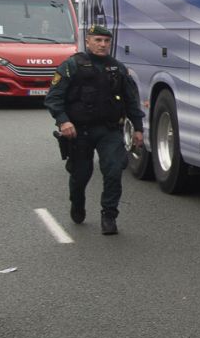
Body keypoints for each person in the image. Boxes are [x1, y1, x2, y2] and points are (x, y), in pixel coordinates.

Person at [45, 23, 146, 236]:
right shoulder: (72, 66)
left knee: (113, 170)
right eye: (98, 40)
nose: (102, 45)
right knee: (81, 174)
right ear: (88, 41)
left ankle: (109, 215)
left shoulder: (117, 68)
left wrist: (138, 128)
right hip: (79, 131)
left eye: (106, 41)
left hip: (109, 130)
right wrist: (64, 121)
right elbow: (54, 97)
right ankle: (77, 203)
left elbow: (131, 101)